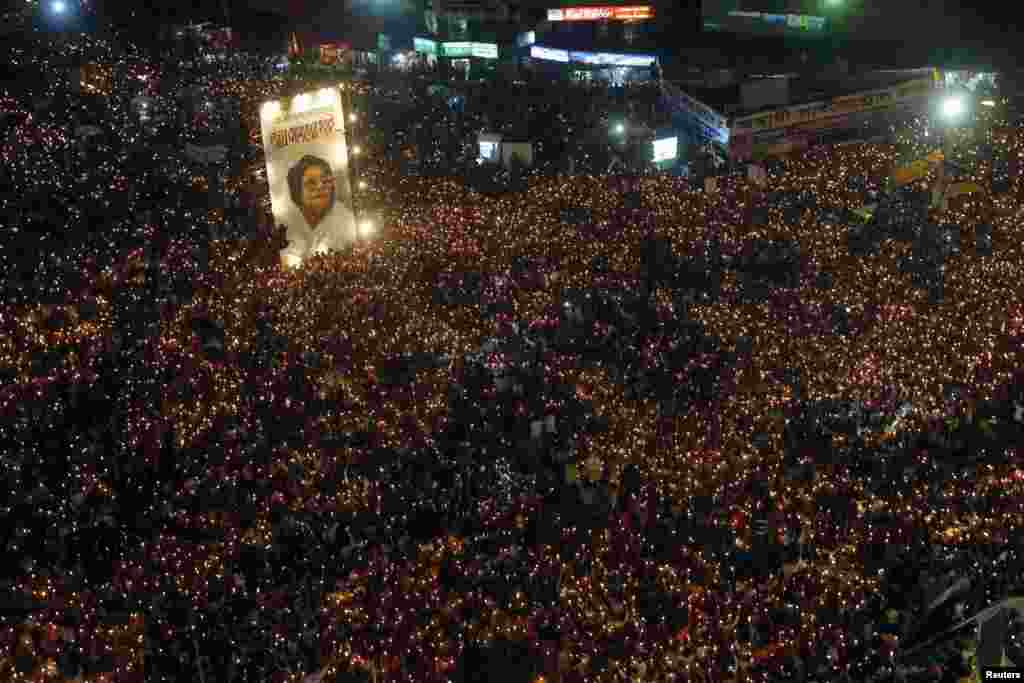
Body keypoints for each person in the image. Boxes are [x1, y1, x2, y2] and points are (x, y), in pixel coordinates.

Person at [287, 155, 336, 232]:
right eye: (311, 183)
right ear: (296, 192)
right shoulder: (289, 231)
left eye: (325, 181)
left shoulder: (344, 221)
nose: (320, 186)